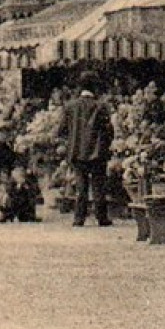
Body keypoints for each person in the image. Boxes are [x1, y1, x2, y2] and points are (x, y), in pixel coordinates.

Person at [61, 86, 115, 227]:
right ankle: (101, 217)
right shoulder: (101, 106)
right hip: (97, 152)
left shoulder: (70, 106)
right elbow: (109, 130)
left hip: (77, 151)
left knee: (81, 186)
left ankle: (79, 218)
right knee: (98, 186)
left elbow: (62, 129)